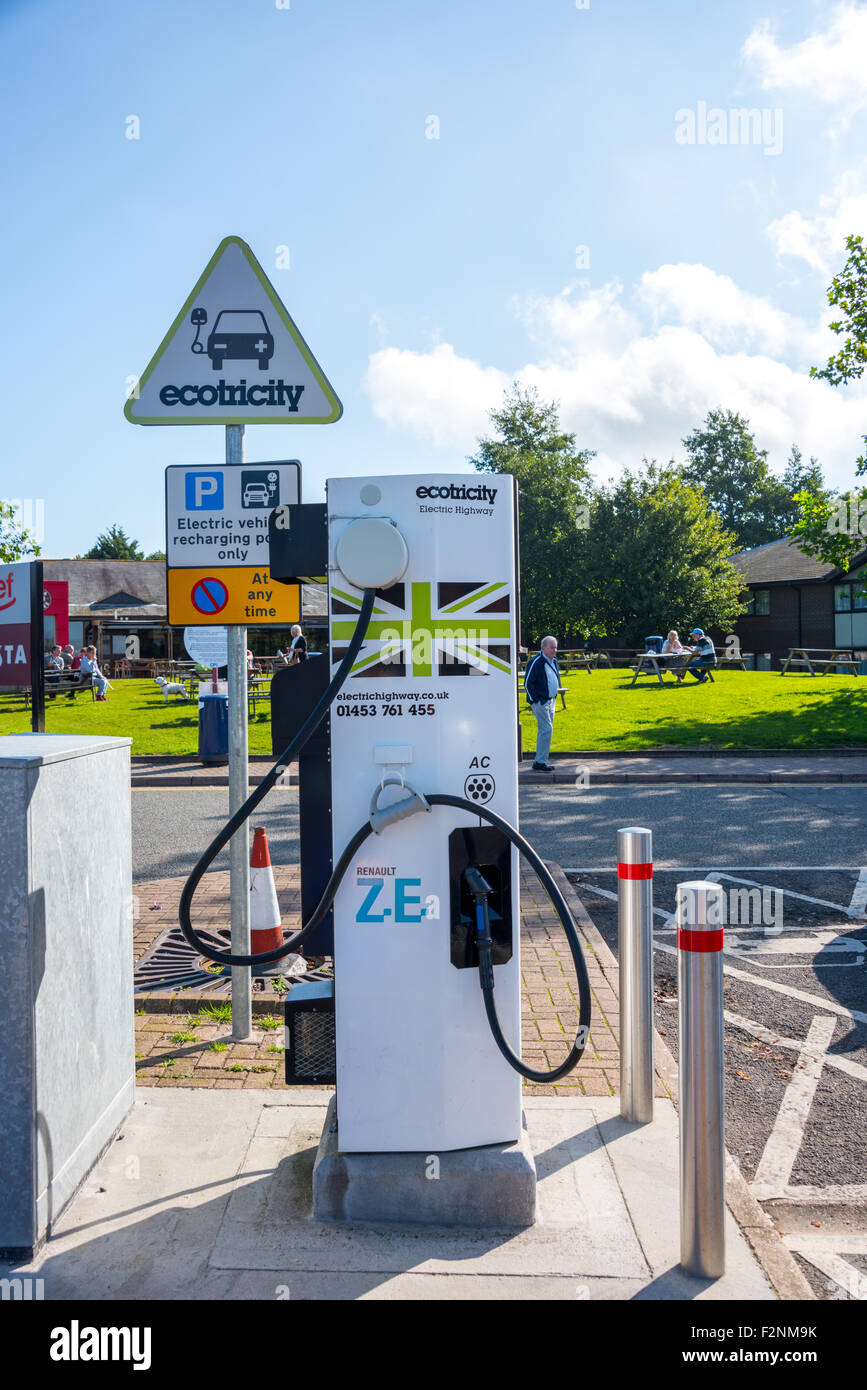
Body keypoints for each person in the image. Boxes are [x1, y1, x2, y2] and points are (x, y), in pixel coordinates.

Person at [524, 635, 560, 772]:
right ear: (543, 648)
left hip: (551, 700)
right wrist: (536, 700)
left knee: (545, 730)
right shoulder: (536, 661)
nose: (554, 650)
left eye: (555, 647)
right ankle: (540, 762)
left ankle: (540, 761)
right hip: (541, 701)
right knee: (547, 729)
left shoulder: (553, 661)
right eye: (552, 647)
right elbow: (527, 682)